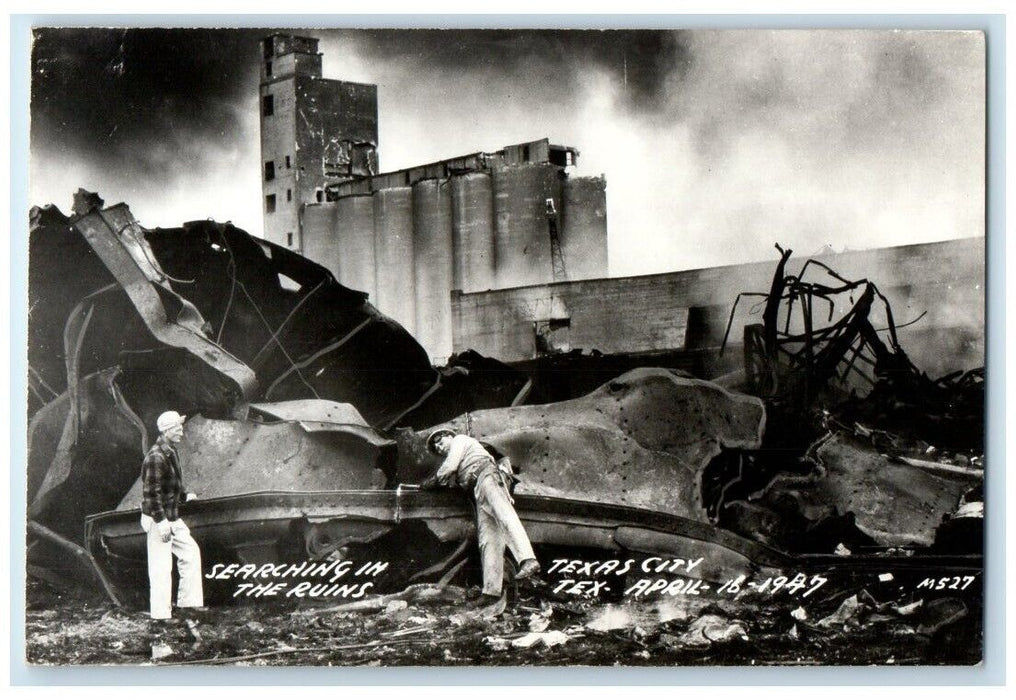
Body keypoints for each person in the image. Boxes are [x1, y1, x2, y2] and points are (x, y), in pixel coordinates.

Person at [421, 428, 540, 602]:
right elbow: (450, 477)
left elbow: (449, 467)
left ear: (449, 436)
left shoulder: (460, 440)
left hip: (488, 476)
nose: (439, 448)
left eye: (440, 442)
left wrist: (432, 481)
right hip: (478, 488)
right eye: (436, 448)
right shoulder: (460, 458)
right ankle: (491, 593)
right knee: (489, 539)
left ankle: (528, 559)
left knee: (504, 514)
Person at [140, 410, 204, 620]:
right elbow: (151, 493)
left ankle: (189, 605)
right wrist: (161, 522)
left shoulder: (169, 451)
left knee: (191, 553)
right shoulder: (156, 457)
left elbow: (171, 486)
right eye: (177, 428)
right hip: (159, 519)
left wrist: (185, 496)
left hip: (172, 516)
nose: (181, 432)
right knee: (160, 568)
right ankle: (160, 618)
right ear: (167, 430)